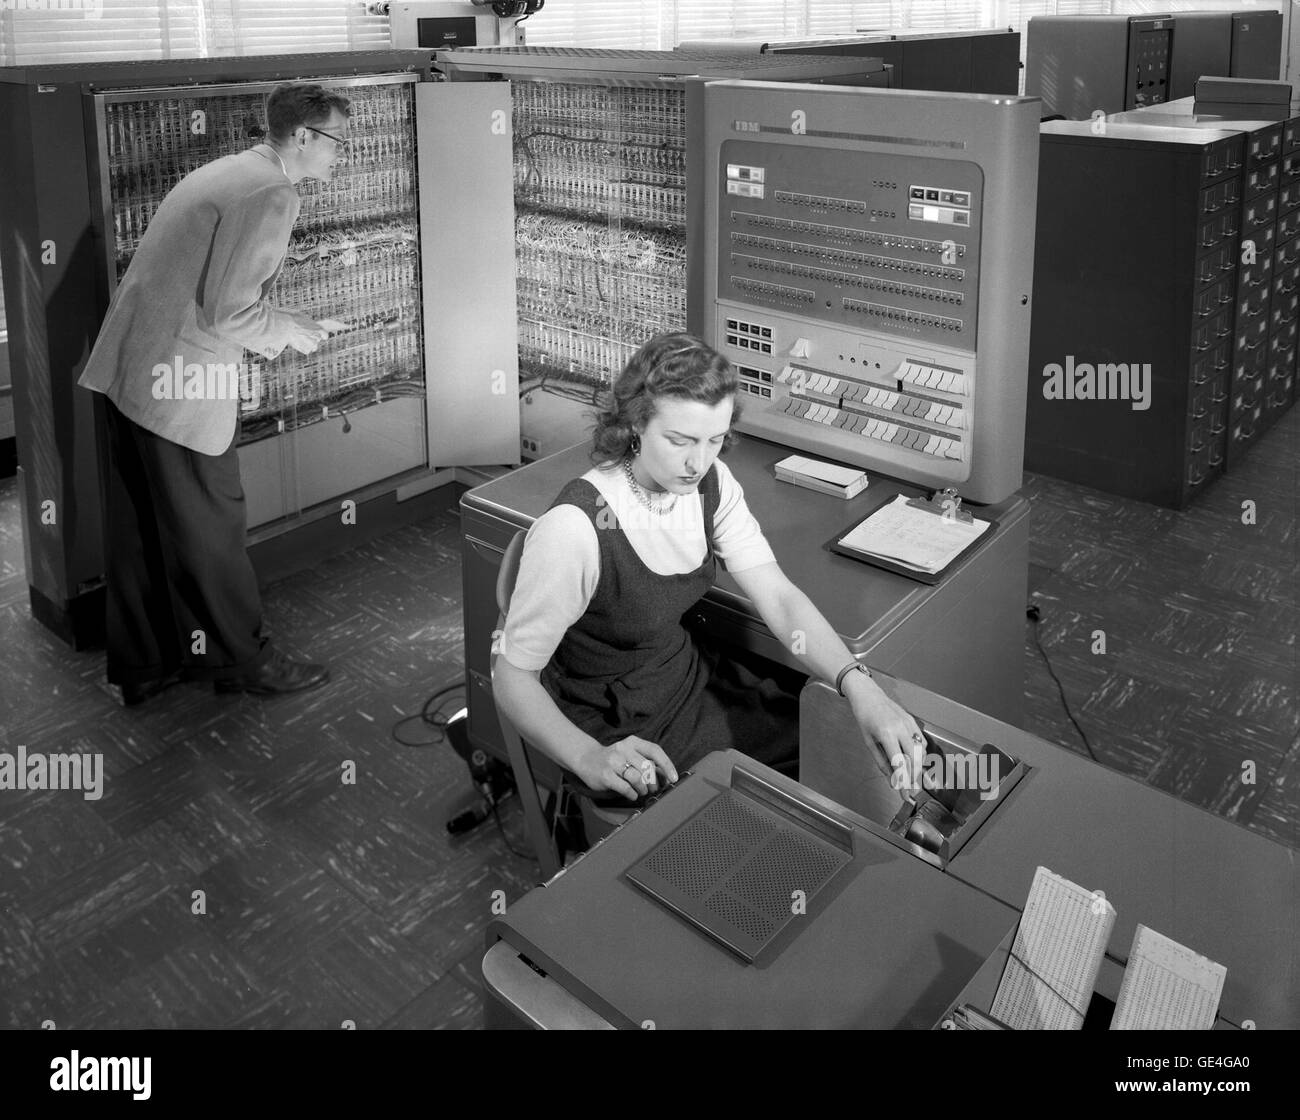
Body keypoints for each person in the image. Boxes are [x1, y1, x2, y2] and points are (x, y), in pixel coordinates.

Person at [494, 332, 928, 802]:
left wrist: (857, 684)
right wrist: (588, 757)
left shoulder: (710, 483)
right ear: (636, 424)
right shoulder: (574, 531)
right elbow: (512, 677)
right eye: (679, 441)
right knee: (775, 805)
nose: (697, 462)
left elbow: (779, 598)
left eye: (714, 440)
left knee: (831, 746)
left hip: (683, 676)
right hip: (615, 721)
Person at [78, 84, 352, 705]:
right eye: (336, 140)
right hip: (181, 390)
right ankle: (241, 661)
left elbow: (213, 289)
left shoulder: (231, 171)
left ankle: (148, 665)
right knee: (211, 526)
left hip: (133, 374)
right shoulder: (272, 192)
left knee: (147, 528)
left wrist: (291, 323)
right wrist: (291, 336)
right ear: (303, 136)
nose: (343, 154)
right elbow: (230, 314)